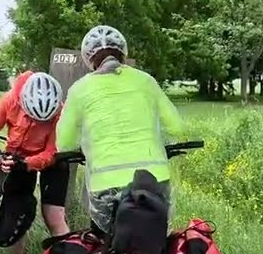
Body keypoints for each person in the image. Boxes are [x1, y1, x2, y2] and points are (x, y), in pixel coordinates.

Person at [55, 25, 185, 234]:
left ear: (89, 58)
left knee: (103, 245)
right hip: (154, 181)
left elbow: (65, 143)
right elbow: (177, 128)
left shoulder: (79, 89)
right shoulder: (146, 81)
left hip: (105, 187)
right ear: (123, 52)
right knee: (159, 243)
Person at [0, 70, 71, 254]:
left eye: (43, 121)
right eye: (33, 118)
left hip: (52, 159)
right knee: (15, 209)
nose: (38, 123)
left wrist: (27, 164)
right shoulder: (10, 100)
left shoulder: (60, 114)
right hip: (17, 154)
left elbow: (50, 154)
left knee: (53, 216)